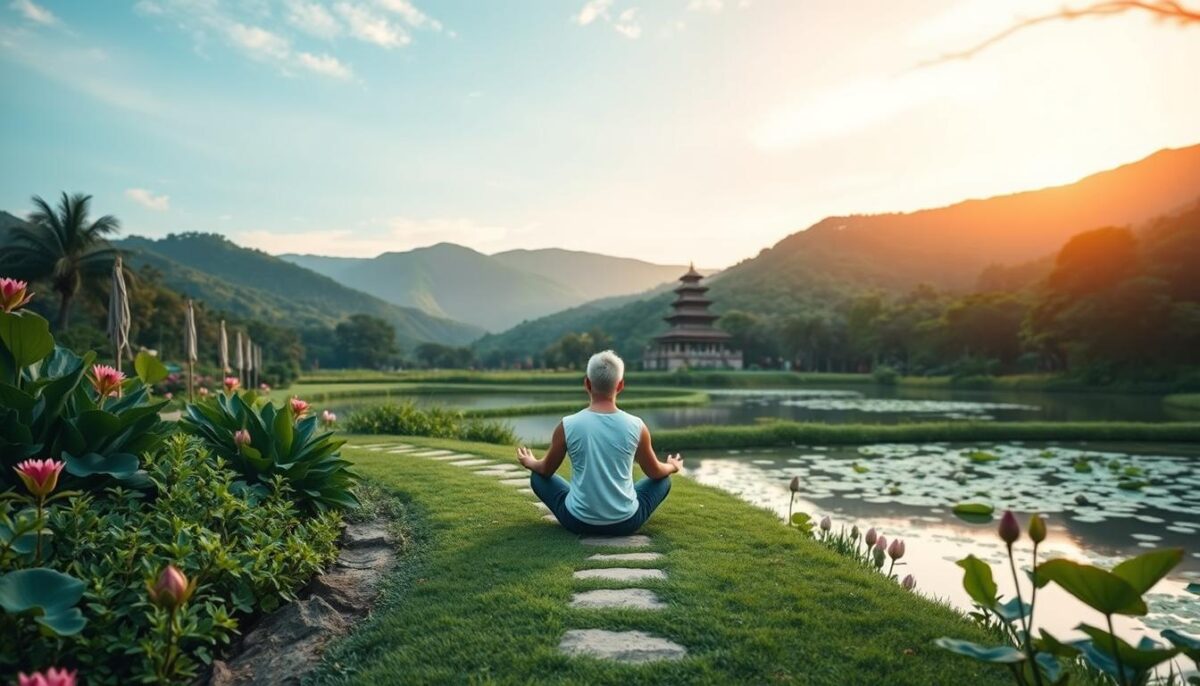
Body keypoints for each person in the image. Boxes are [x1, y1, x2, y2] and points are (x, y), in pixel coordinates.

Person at [516, 350, 682, 535]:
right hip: (626, 522)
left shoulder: (567, 425)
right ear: (620, 385)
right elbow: (655, 472)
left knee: (537, 477)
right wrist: (672, 466)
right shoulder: (637, 426)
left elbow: (545, 470)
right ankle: (617, 505)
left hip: (577, 521)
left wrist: (530, 462)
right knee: (663, 481)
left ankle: (584, 504)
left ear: (587, 383)